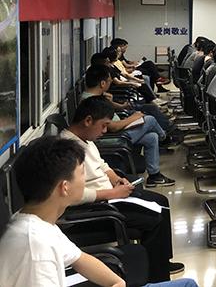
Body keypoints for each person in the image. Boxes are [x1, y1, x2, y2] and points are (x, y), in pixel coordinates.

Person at [0, 137, 197, 287]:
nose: (86, 178)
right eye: (82, 173)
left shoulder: (38, 222)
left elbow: (80, 259)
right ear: (64, 187)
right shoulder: (34, 246)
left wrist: (117, 282)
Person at [60, 96, 184, 281]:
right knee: (155, 218)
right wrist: (112, 193)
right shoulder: (66, 149)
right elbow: (71, 195)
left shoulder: (84, 139)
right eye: (103, 126)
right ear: (88, 121)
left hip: (110, 196)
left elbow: (102, 165)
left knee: (161, 201)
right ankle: (157, 276)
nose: (104, 131)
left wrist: (116, 179)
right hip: (97, 208)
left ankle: (161, 261)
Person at [80, 66, 175, 187]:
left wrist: (112, 102)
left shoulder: (94, 97)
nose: (110, 83)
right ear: (103, 83)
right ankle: (165, 138)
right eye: (109, 81)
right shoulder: (92, 102)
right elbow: (112, 127)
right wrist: (133, 118)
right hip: (114, 137)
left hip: (119, 131)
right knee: (150, 120)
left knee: (151, 137)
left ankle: (154, 175)